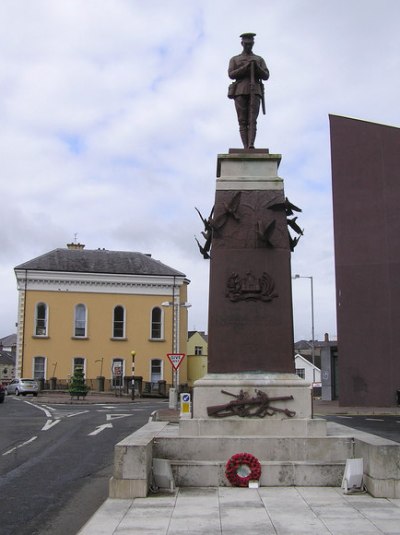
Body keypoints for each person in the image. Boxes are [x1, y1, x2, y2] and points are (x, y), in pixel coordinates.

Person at [228, 33, 269, 149]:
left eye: (250, 44)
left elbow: (266, 75)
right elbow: (231, 74)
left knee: (252, 119)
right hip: (240, 91)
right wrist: (245, 68)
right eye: (246, 44)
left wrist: (257, 68)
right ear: (242, 44)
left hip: (255, 90)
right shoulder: (235, 59)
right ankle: (245, 146)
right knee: (242, 120)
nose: (248, 46)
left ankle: (251, 145)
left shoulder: (259, 59)